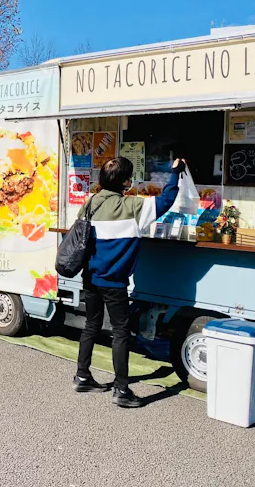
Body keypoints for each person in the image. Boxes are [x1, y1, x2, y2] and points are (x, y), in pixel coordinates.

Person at [73, 156, 185, 408]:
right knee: (120, 332)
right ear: (126, 181)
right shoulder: (133, 206)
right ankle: (121, 390)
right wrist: (175, 173)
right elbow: (166, 200)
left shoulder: (90, 203)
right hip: (114, 282)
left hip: (90, 277)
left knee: (91, 325)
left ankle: (82, 376)